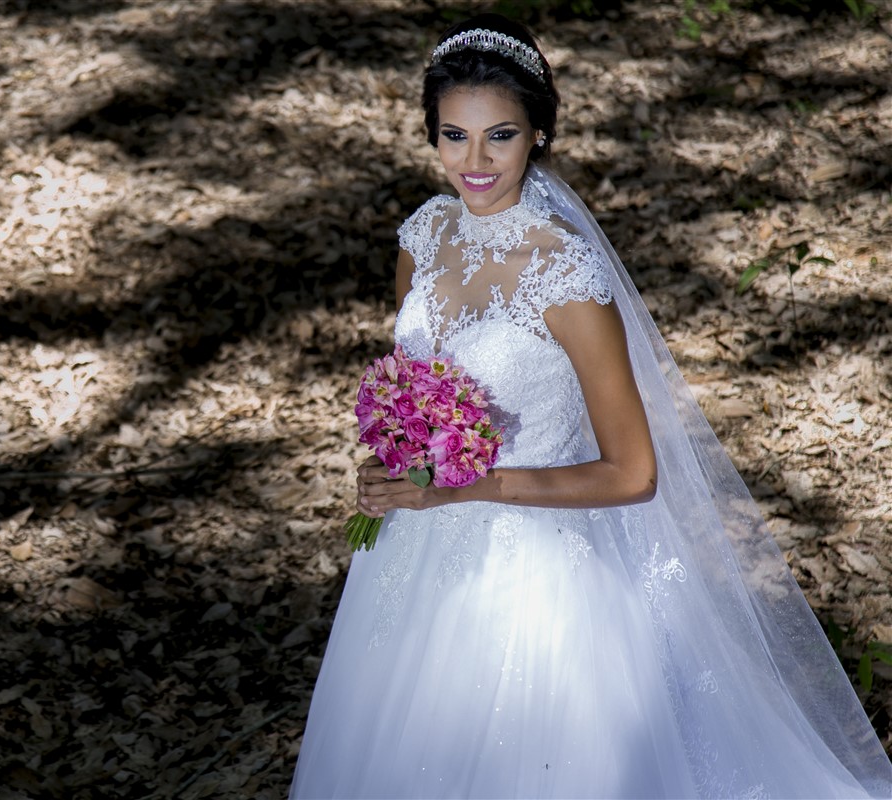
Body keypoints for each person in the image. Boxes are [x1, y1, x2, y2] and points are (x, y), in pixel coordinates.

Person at [290, 13, 892, 800]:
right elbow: (419, 386)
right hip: (413, 553)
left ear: (538, 134)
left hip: (539, 573)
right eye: (452, 135)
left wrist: (470, 485)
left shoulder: (565, 276)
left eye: (499, 136)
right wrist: (396, 461)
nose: (474, 162)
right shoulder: (423, 236)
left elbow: (634, 473)